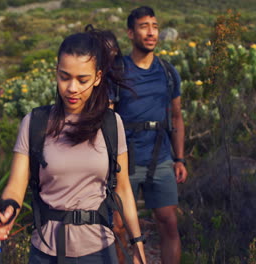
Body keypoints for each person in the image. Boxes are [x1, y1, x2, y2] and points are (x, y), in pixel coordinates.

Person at [0, 31, 146, 263]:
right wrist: (9, 209)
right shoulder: (34, 123)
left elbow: (123, 191)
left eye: (82, 80)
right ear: (56, 72)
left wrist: (137, 244)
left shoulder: (112, 124)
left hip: (99, 251)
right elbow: (16, 187)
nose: (72, 88)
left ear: (98, 77)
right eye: (64, 77)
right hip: (45, 252)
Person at [114, 6, 188, 264]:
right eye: (144, 26)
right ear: (130, 33)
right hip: (125, 160)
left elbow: (176, 116)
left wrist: (180, 159)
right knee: (119, 227)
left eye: (155, 26)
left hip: (161, 157)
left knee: (168, 222)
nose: (151, 32)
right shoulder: (117, 71)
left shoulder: (168, 72)